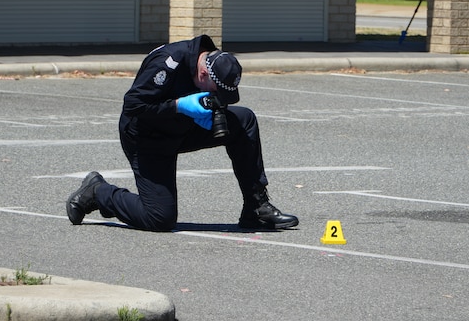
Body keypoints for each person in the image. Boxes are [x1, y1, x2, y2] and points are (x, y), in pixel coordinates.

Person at [66, 34, 299, 232]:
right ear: (204, 75)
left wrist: (210, 112)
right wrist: (178, 106)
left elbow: (218, 101)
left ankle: (256, 208)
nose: (220, 99)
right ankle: (98, 191)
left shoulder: (213, 62)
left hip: (182, 127)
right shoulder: (167, 64)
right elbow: (133, 106)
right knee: (159, 218)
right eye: (217, 92)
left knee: (244, 119)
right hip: (148, 137)